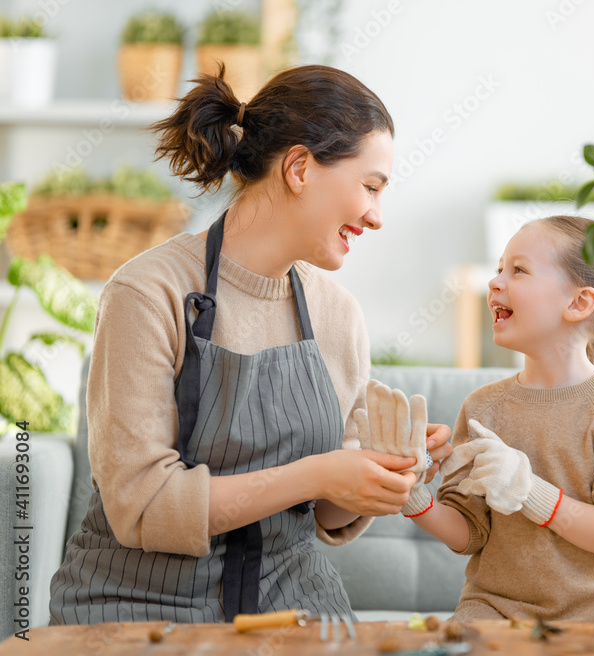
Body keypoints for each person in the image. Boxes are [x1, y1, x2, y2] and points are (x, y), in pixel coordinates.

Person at [49, 65, 451, 625]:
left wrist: (381, 471)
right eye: (370, 186)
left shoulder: (337, 315)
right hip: (136, 606)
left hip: (293, 606)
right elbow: (139, 505)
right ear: (299, 167)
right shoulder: (147, 292)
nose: (376, 216)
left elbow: (325, 512)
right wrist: (319, 473)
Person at [400, 215, 594, 622]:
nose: (495, 282)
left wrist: (530, 491)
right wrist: (411, 495)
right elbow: (469, 533)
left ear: (579, 302)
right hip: (493, 614)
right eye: (499, 269)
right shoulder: (482, 408)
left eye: (518, 270)